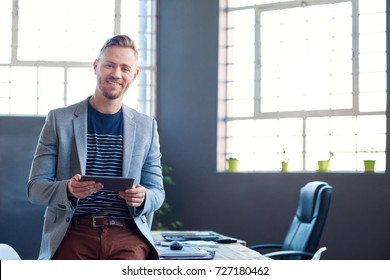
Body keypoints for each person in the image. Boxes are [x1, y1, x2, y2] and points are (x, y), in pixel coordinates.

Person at [27, 35, 165, 260]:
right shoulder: (58, 120)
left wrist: (143, 196)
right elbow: (35, 189)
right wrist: (68, 190)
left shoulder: (146, 126)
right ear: (96, 67)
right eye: (109, 65)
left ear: (135, 74)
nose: (116, 74)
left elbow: (157, 192)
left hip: (127, 236)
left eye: (125, 68)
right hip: (72, 234)